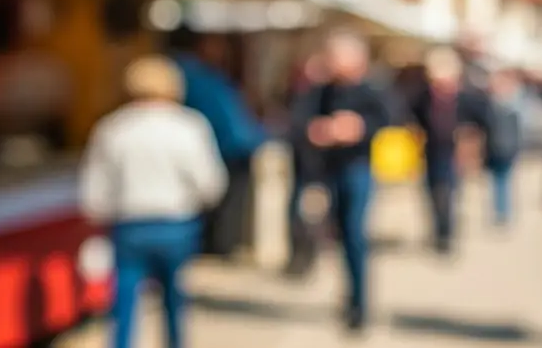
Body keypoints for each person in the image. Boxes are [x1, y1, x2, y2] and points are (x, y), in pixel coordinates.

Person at [79, 56, 227, 348]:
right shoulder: (189, 126)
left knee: (124, 302)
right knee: (174, 298)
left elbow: (94, 193)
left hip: (130, 225)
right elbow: (210, 184)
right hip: (177, 224)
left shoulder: (112, 128)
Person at [289, 30, 392, 331]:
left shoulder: (371, 90)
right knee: (337, 235)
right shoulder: (320, 92)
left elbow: (389, 119)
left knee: (354, 234)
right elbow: (298, 122)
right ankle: (349, 297)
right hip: (328, 171)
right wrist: (318, 130)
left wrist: (357, 128)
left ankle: (359, 304)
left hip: (357, 169)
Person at [169, 27, 268, 258]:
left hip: (234, 146)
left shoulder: (206, 74)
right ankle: (217, 246)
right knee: (222, 205)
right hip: (226, 148)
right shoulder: (194, 74)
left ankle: (219, 245)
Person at [408, 45, 491, 254]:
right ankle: (439, 231)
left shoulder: (468, 97)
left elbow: (483, 122)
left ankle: (447, 234)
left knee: (450, 194)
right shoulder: (423, 97)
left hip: (457, 153)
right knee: (433, 194)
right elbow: (413, 119)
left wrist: (472, 143)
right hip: (432, 152)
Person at [485, 67, 529, 227]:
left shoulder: (507, 106)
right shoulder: (497, 105)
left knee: (501, 181)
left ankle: (502, 212)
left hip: (505, 149)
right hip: (499, 148)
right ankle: (501, 211)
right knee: (500, 181)